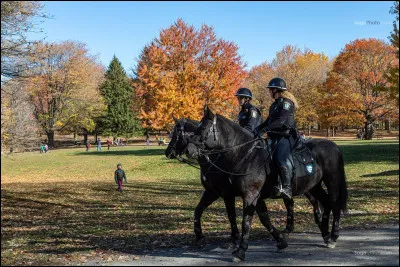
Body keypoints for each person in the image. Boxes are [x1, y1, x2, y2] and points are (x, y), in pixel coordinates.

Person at [253, 77, 298, 199]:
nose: (269, 92)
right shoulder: (274, 105)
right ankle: (273, 184)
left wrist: (265, 129)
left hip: (286, 136)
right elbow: (269, 120)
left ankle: (287, 188)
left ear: (276, 90)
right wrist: (257, 128)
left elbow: (281, 121)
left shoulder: (287, 103)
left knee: (280, 158)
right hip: (273, 137)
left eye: (271, 89)